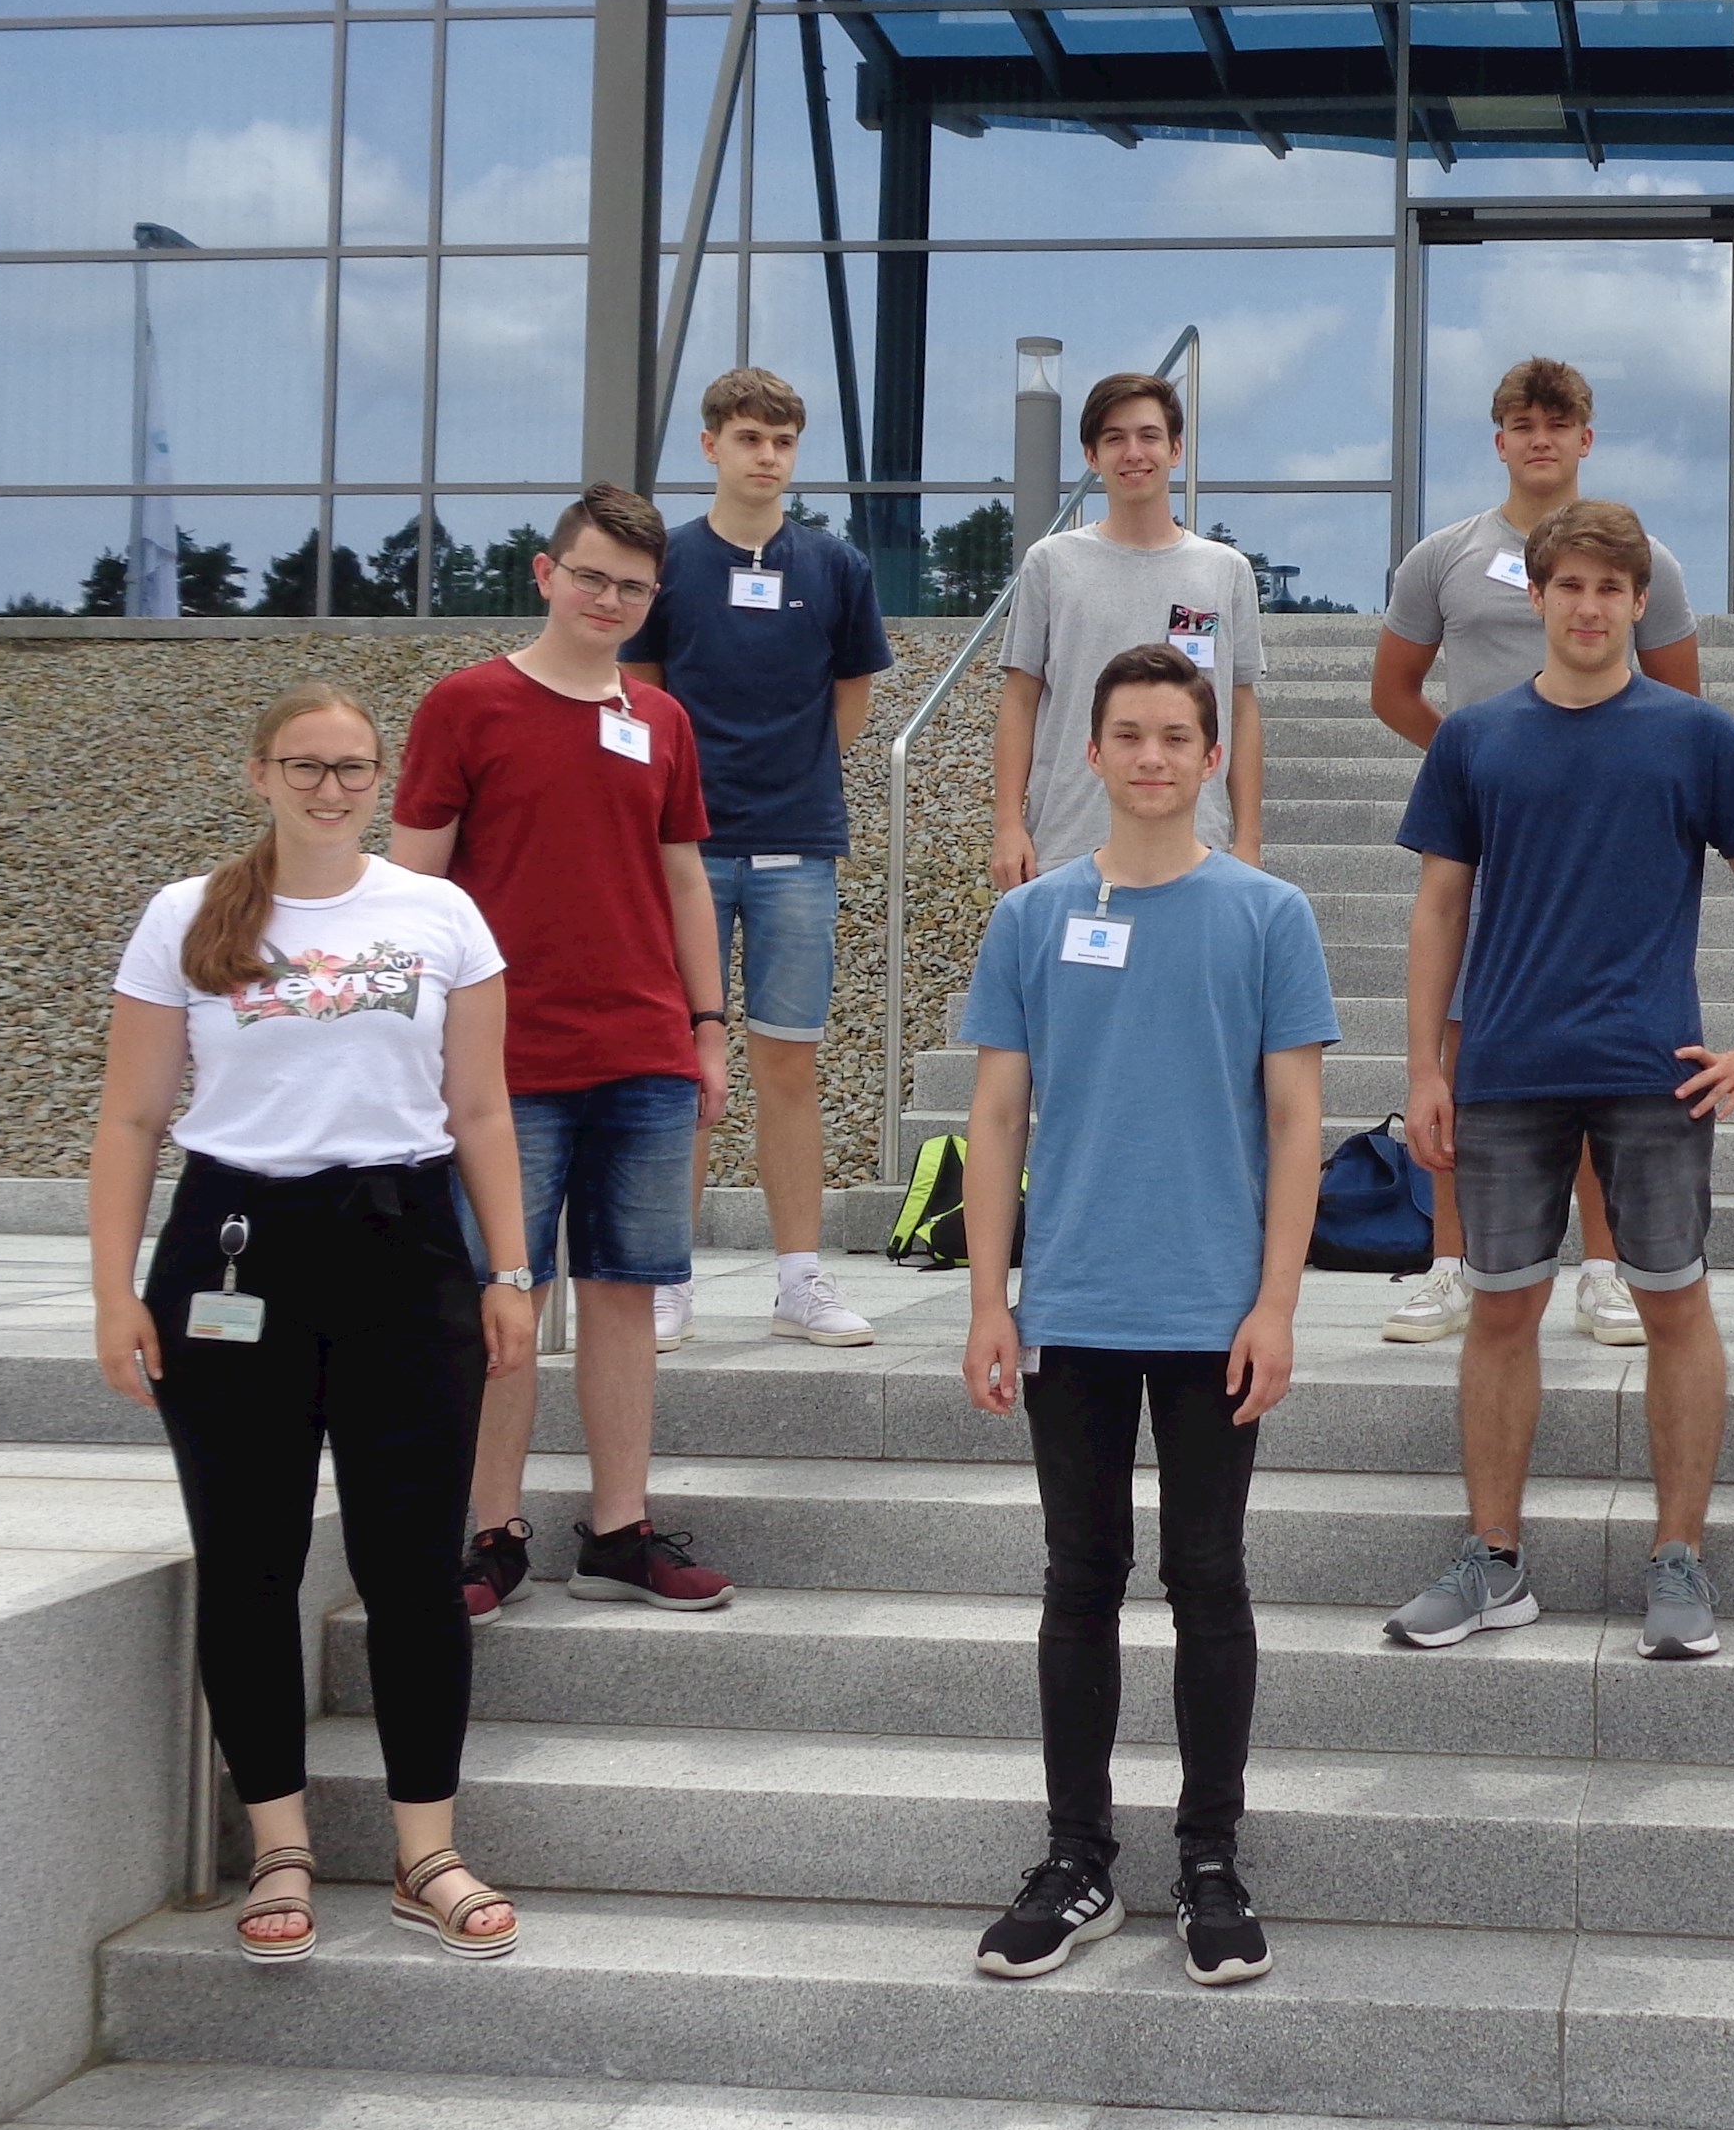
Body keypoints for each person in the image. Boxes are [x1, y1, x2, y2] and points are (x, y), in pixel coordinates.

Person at [91, 681, 533, 1964]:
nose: (329, 789)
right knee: (250, 1562)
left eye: (352, 769)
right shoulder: (185, 918)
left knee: (412, 1572)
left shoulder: (438, 913)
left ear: (379, 779)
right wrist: (114, 1290)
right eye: (305, 766)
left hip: (405, 1259)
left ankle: (424, 1851)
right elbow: (129, 1121)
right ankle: (277, 1846)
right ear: (258, 774)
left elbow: (485, 1114)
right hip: (235, 1256)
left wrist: (508, 1273)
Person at [958, 644, 1337, 1989]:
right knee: (1079, 1581)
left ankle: (1210, 1857)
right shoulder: (1033, 918)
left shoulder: (1267, 915)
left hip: (1210, 1304)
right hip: (1072, 1298)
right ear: (1092, 754)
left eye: (1179, 735)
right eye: (1131, 735)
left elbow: (1298, 1126)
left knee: (1210, 1581)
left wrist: (1278, 1303)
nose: (1156, 757)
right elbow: (996, 1117)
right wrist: (987, 1299)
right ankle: (1076, 1860)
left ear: (1213, 757)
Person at [1384, 499, 1734, 1663]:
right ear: (1538, 595)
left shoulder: (1697, 736)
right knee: (1502, 1309)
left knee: (1674, 1307)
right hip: (1508, 1069)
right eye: (1569, 586)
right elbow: (1438, 906)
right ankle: (1493, 1561)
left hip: (1649, 1072)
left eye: (1610, 590)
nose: (1587, 607)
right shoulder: (1475, 737)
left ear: (1636, 604)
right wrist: (1425, 1064)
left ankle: (1677, 1557)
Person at [391, 484, 738, 1619]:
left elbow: (686, 880)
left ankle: (620, 1527)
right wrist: (413, 1042)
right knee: (507, 1295)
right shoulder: (468, 705)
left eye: (632, 587)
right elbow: (412, 884)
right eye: (591, 576)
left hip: (642, 1050)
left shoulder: (663, 721)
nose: (608, 599)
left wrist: (708, 1028)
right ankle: (488, 1532)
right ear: (546, 574)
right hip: (505, 1065)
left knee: (628, 1293)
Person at [1370, 355, 1707, 1352]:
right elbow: (1394, 690)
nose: (1540, 439)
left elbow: (1686, 706)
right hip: (1491, 845)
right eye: (1522, 423)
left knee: (1600, 1054)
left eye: (1558, 424)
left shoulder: (1645, 558)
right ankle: (1448, 1267)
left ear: (1586, 439)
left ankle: (1602, 1273)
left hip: (1610, 848)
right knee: (1464, 1042)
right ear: (1499, 439)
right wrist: (1477, 772)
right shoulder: (1444, 557)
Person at [623, 365, 893, 1352]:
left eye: (781, 441)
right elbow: (643, 691)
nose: (766, 457)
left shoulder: (834, 565)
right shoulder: (667, 562)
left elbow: (851, 697)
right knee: (677, 1068)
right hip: (682, 853)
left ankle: (799, 1281)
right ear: (710, 447)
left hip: (796, 848)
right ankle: (664, 1280)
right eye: (747, 439)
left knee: (789, 1065)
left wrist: (794, 783)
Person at [992, 370, 1264, 885]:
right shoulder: (1050, 563)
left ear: (1176, 449)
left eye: (1149, 436)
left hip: (1197, 846)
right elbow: (1020, 699)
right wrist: (1009, 824)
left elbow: (1241, 707)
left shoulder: (1225, 570)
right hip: (1069, 841)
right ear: (1092, 457)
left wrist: (1247, 837)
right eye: (1114, 439)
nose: (1133, 453)